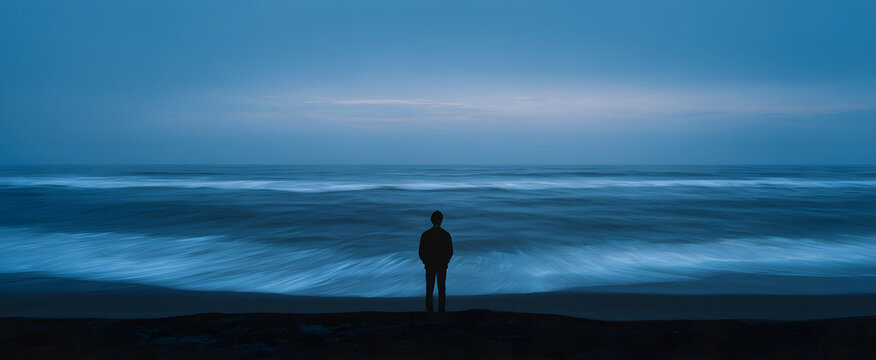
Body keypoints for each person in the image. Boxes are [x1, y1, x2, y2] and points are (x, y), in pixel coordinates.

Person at [419, 210, 453, 313]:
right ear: (441, 220)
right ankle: (441, 311)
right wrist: (445, 262)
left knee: (429, 290)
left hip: (430, 265)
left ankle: (429, 311)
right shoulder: (446, 235)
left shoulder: (426, 234)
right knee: (441, 290)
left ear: (431, 220)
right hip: (441, 266)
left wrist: (426, 262)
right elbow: (450, 251)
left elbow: (421, 252)